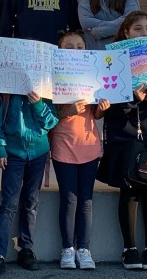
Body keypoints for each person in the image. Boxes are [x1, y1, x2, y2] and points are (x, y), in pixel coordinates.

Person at [96, 11, 147, 272]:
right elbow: (108, 106)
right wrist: (133, 100)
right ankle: (129, 248)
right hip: (125, 137)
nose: (144, 34)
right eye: (138, 29)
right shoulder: (113, 61)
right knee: (128, 192)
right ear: (126, 34)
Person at [0, 88, 59, 277]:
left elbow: (51, 122)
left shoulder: (45, 91)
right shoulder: (7, 93)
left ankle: (26, 248)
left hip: (38, 152)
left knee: (31, 201)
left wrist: (38, 104)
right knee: (9, 204)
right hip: (13, 153)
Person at [51, 29, 108, 270]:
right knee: (69, 198)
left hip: (89, 143)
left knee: (86, 199)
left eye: (79, 47)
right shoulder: (52, 75)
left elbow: (95, 113)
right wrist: (69, 110)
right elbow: (50, 114)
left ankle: (84, 248)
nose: (75, 51)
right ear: (59, 50)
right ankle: (67, 249)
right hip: (63, 143)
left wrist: (103, 108)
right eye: (68, 46)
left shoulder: (93, 73)